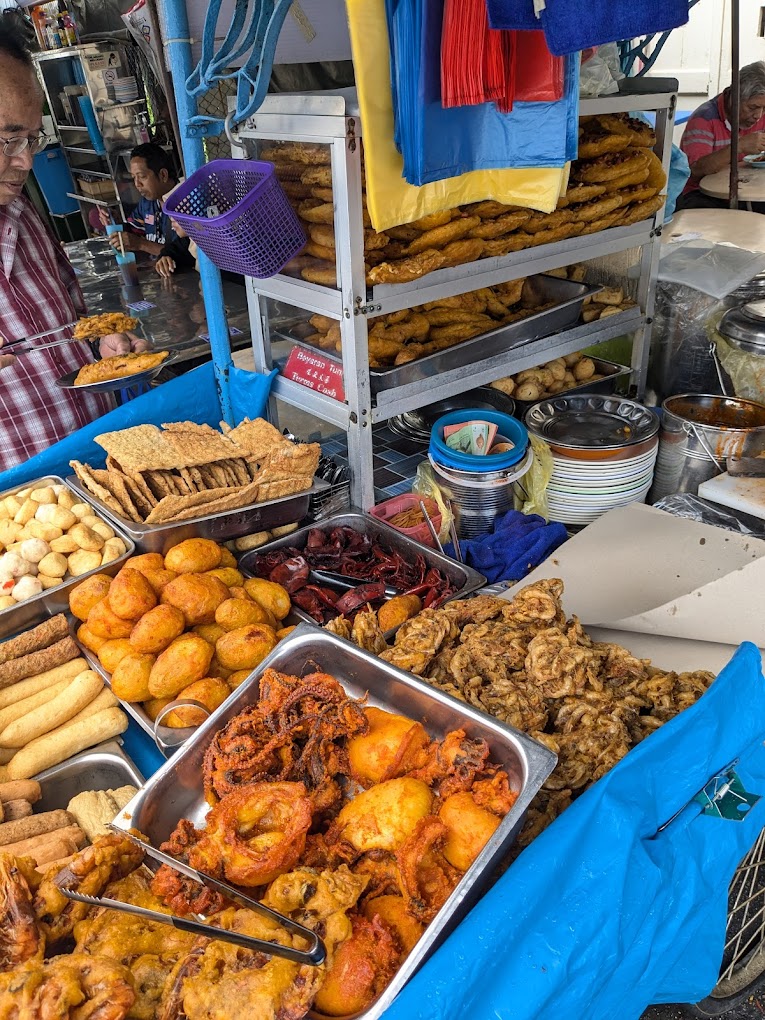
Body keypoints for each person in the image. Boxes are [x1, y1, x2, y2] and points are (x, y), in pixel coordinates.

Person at [0, 25, 139, 471]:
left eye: (32, 139)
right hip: (25, 501)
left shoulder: (21, 208)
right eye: (8, 140)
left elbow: (74, 318)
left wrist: (103, 345)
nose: (26, 160)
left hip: (102, 461)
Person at [677, 61, 765, 211]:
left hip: (745, 190)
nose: (758, 115)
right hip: (701, 194)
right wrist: (739, 146)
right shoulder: (704, 119)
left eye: (764, 108)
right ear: (733, 96)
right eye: (753, 107)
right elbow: (695, 170)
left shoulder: (760, 114)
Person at [101, 143, 180, 256]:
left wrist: (141, 244)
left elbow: (185, 255)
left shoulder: (186, 205)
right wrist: (115, 222)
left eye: (142, 176)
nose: (137, 184)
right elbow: (134, 231)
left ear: (163, 175)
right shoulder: (147, 203)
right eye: (134, 177)